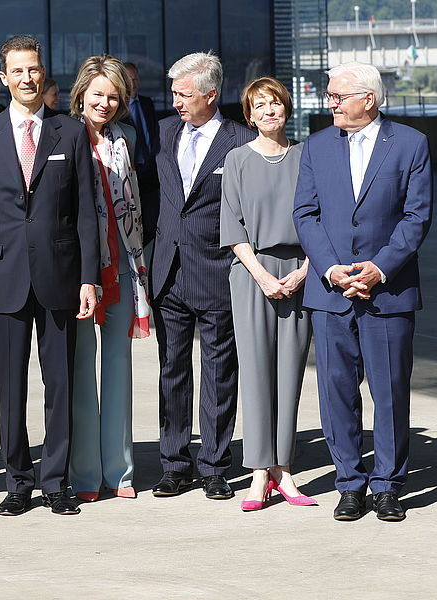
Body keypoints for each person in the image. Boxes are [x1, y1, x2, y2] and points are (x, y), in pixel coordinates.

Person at [0, 35, 98, 517]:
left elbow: (87, 212)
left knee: (60, 385)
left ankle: (55, 481)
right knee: (11, 387)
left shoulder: (71, 131)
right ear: (3, 78)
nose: (27, 78)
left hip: (61, 276)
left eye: (34, 69)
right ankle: (18, 480)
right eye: (17, 71)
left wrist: (89, 277)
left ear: (44, 73)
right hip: (3, 279)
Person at [293, 61, 433, 522]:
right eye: (329, 96)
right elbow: (306, 215)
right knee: (336, 393)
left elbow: (416, 218)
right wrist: (332, 269)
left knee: (390, 391)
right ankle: (349, 483)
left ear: (368, 99)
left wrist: (379, 269)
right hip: (330, 293)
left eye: (337, 95)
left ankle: (388, 486)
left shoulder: (411, 144)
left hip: (388, 294)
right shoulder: (315, 146)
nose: (328, 102)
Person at [147, 51, 255, 501]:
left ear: (211, 95)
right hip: (167, 273)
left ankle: (214, 466)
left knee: (218, 374)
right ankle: (174, 464)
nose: (175, 101)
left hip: (215, 272)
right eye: (173, 92)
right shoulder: (163, 132)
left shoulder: (240, 142)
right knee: (172, 372)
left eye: (183, 94)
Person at [220, 77, 314, 511]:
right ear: (250, 114)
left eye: (276, 103)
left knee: (289, 373)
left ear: (287, 109)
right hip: (252, 271)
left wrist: (304, 273)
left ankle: (285, 470)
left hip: (300, 271)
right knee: (256, 373)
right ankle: (259, 473)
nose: (269, 111)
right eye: (260, 105)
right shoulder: (237, 159)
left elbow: (323, 221)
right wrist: (261, 276)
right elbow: (233, 227)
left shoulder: (306, 156)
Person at [66, 54, 151, 502]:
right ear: (81, 93)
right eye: (98, 93)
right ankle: (83, 476)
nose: (105, 102)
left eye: (114, 96)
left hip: (123, 265)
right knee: (81, 370)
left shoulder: (127, 137)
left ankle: (120, 471)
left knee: (118, 367)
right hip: (81, 270)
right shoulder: (62, 135)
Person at [121, 62, 160, 245]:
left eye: (136, 79)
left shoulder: (147, 103)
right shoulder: (118, 108)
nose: (133, 84)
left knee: (152, 222)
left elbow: (152, 134)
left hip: (150, 171)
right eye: (129, 80)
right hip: (130, 172)